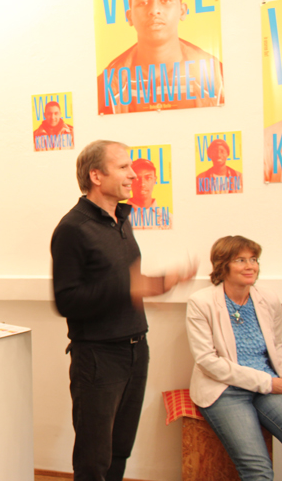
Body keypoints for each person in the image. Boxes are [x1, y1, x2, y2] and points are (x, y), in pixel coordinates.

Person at [51, 139, 196, 481]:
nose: (133, 174)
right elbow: (66, 300)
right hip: (98, 357)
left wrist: (157, 284)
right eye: (123, 167)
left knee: (120, 450)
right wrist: (128, 288)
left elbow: (123, 282)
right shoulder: (72, 228)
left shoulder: (122, 219)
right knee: (94, 458)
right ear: (96, 176)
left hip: (136, 349)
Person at [187, 236, 282, 481]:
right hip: (225, 390)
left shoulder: (269, 298)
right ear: (223, 266)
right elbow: (207, 361)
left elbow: (278, 345)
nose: (250, 266)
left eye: (254, 259)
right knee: (258, 471)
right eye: (240, 260)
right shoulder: (201, 302)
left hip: (268, 386)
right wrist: (268, 383)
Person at [97, 0, 224, 114]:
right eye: (143, 2)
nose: (154, 10)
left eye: (165, 0)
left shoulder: (219, 77)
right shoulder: (104, 85)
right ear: (130, 17)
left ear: (182, 11)